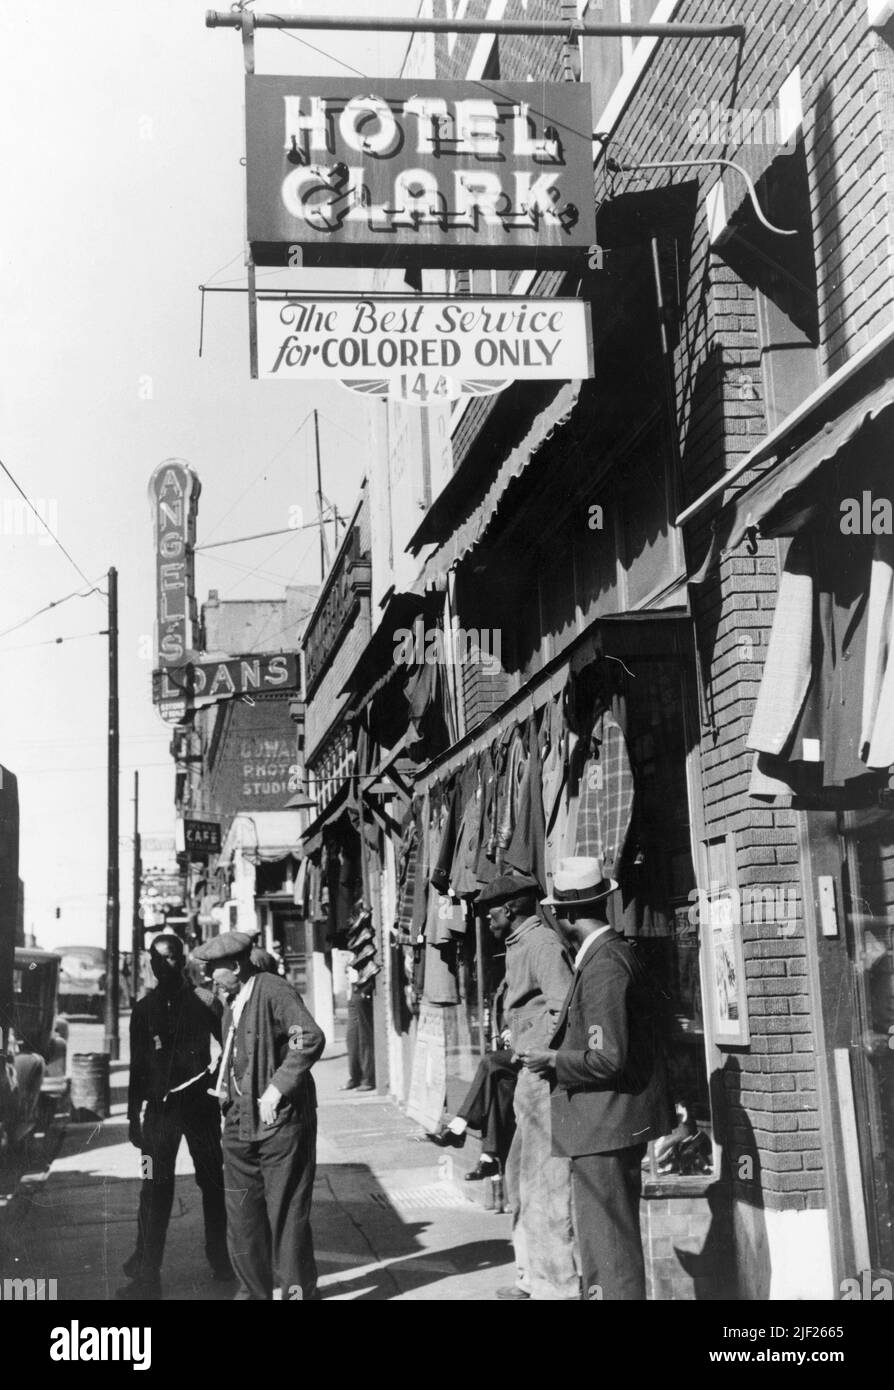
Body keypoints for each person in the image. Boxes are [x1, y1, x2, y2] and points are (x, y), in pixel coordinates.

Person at [524, 857, 671, 1301]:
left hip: (604, 1127)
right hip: (607, 1126)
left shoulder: (604, 965)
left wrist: (553, 1060)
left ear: (565, 915)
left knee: (607, 1252)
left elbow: (606, 1058)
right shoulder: (610, 956)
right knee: (608, 1247)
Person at [193, 930, 326, 1302]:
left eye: (214, 970)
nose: (209, 978)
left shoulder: (272, 989)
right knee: (242, 1219)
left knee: (287, 1219)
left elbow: (308, 1037)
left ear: (235, 967)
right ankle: (255, 1294)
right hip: (239, 1124)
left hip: (280, 1124)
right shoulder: (233, 1000)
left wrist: (277, 1087)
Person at [476, 872, 580, 1301]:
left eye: (490, 913)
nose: (486, 921)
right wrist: (516, 1036)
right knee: (521, 1182)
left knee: (548, 1186)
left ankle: (559, 1286)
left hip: (541, 1079)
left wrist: (536, 1049)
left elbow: (563, 1005)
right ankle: (529, 1278)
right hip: (526, 1077)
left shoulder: (540, 945)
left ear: (511, 909)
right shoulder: (522, 945)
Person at [118, 933, 230, 1301]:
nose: (164, 964)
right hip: (159, 1115)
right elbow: (137, 1067)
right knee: (153, 1189)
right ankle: (148, 1277)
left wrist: (219, 1082)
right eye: (157, 958)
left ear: (182, 960)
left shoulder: (204, 1000)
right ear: (149, 962)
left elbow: (230, 1044)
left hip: (199, 1107)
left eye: (172, 958)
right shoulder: (143, 1009)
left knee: (212, 1182)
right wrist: (133, 1117)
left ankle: (221, 1259)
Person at [341, 967, 375, 1092]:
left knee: (364, 1040)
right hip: (352, 996)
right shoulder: (352, 955)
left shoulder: (365, 953)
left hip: (361, 994)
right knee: (352, 1040)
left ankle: (367, 1078)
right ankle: (355, 1077)